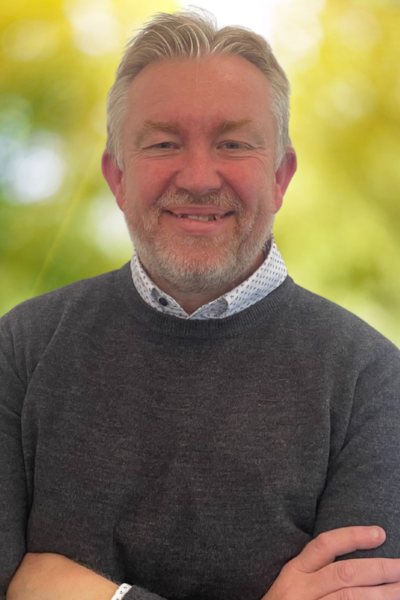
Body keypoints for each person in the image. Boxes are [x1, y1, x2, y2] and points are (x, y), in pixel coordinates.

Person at [1, 9, 400, 600]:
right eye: (163, 142)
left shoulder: (372, 382)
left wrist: (86, 592)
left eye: (232, 143)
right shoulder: (21, 351)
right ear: (117, 177)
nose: (198, 175)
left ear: (280, 176)